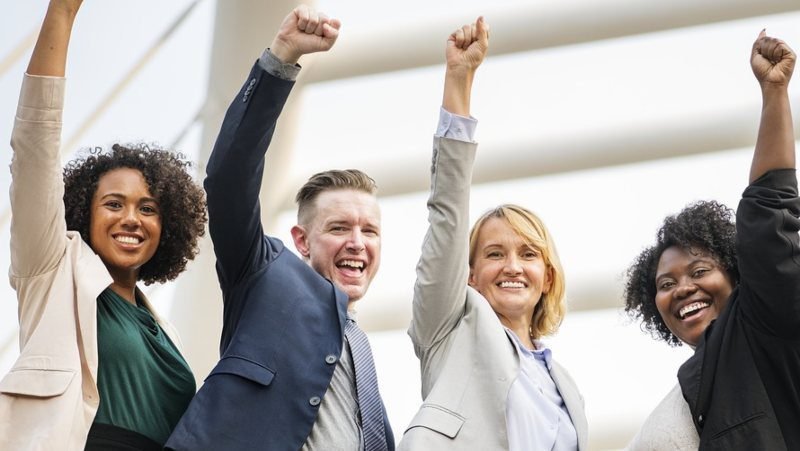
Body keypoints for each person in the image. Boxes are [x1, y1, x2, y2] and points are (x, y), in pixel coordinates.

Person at [166, 6, 394, 451]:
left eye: (369, 231)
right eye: (339, 228)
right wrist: (282, 59)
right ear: (301, 241)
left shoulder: (360, 350)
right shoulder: (264, 273)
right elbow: (229, 179)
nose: (356, 243)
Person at [0, 1, 208, 449]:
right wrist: (62, 12)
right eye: (114, 204)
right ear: (84, 213)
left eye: (148, 209)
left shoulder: (162, 328)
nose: (131, 218)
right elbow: (35, 148)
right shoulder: (52, 272)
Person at [399, 17, 588, 450]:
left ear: (548, 277)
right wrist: (459, 79)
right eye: (494, 254)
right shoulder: (451, 331)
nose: (512, 267)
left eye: (528, 254)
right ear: (469, 275)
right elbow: (447, 214)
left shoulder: (565, 386)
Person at [624, 31, 798, 449]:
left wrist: (774, 92)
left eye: (699, 271)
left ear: (737, 274)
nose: (683, 288)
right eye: (666, 284)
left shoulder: (764, 327)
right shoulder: (696, 382)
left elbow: (770, 206)